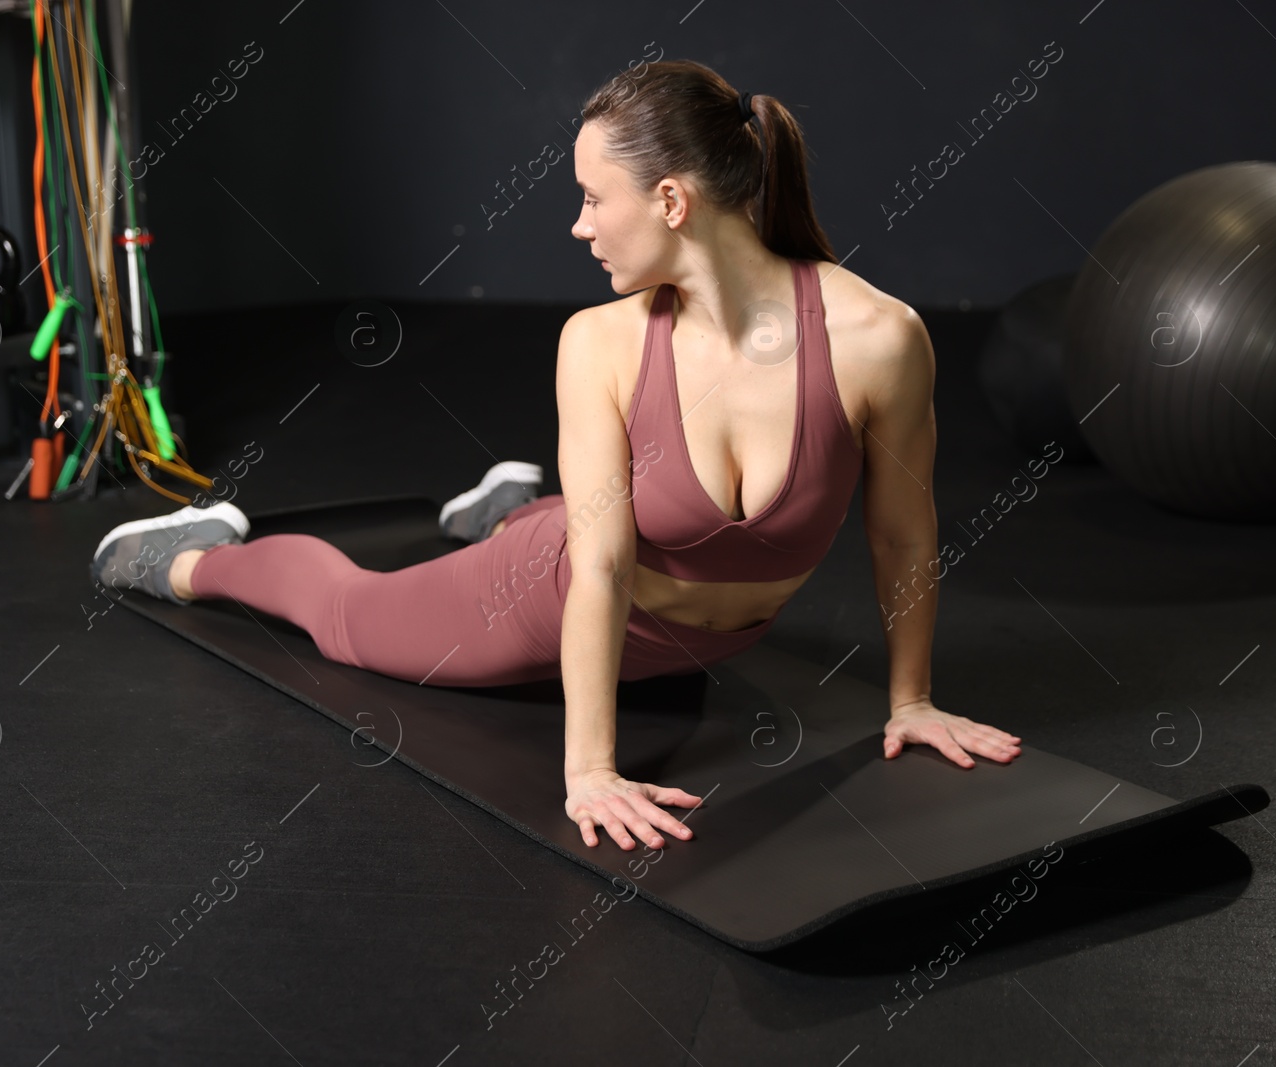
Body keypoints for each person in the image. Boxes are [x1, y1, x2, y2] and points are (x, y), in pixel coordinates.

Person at [90, 59, 1021, 856]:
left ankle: (501, 506)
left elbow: (904, 532)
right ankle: (195, 554)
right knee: (348, 619)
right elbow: (604, 564)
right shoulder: (601, 343)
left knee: (575, 521)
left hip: (676, 623)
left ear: (670, 200)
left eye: (589, 197)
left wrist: (913, 701)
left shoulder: (878, 337)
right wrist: (591, 771)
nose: (578, 225)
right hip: (549, 590)